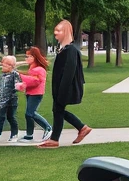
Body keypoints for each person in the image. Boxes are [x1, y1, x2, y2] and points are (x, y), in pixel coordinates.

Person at [38, 20, 92, 148]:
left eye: (59, 30)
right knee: (58, 110)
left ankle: (56, 139)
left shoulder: (71, 50)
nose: (55, 33)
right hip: (60, 87)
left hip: (65, 88)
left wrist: (62, 90)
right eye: (55, 30)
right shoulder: (64, 50)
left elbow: (69, 72)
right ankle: (81, 128)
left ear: (66, 32)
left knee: (58, 109)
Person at [15, 47, 53, 142]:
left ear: (34, 57)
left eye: (29, 56)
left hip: (36, 94)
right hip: (30, 93)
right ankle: (29, 135)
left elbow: (35, 81)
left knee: (30, 113)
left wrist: (20, 76)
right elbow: (29, 80)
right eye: (26, 56)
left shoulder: (39, 69)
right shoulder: (33, 68)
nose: (26, 58)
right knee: (28, 115)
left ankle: (48, 127)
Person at [0, 56, 21, 143]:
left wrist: (17, 88)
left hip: (11, 100)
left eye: (5, 65)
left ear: (11, 66)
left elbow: (17, 86)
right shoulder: (1, 76)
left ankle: (14, 134)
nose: (3, 67)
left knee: (11, 117)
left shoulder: (14, 74)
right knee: (0, 116)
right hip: (2, 101)